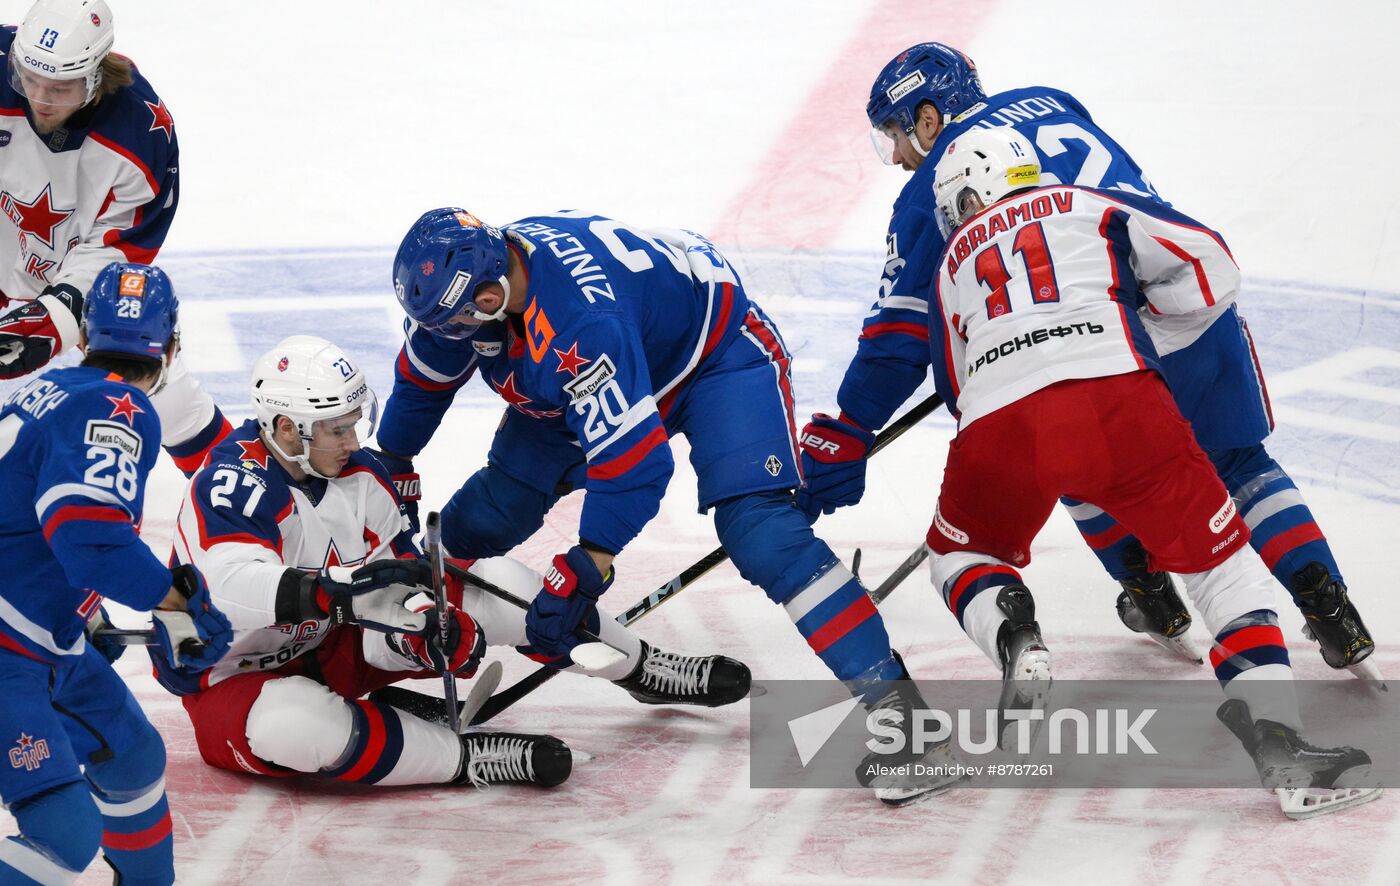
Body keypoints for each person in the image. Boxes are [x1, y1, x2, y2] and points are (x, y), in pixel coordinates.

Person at [797, 42, 1375, 675]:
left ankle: (1152, 595)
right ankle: (1332, 611)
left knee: (1076, 454)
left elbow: (899, 337)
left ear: (929, 119)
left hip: (1093, 340)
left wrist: (851, 428)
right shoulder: (1055, 103)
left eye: (896, 135)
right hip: (1182, 296)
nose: (900, 157)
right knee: (1239, 463)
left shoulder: (941, 178)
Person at [375, 208, 959, 804]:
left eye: (460, 321)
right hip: (619, 351)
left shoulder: (579, 322)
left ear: (493, 289)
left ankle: (905, 722)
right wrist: (391, 460)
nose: (454, 334)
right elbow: (424, 380)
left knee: (762, 533)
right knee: (491, 512)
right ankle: (386, 640)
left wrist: (589, 561)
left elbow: (637, 467)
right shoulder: (477, 287)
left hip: (714, 357)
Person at [920, 126, 1377, 818]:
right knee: (1224, 570)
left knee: (958, 554)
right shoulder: (1084, 202)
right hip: (1120, 400)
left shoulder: (951, 262)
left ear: (969, 196)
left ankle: (1017, 637)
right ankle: (1281, 745)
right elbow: (1210, 265)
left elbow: (957, 393)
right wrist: (1133, 326)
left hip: (999, 422)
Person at [160, 333, 750, 792]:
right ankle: (467, 759)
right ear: (287, 429)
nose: (352, 439)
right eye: (335, 429)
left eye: (353, 423)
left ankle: (640, 667)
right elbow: (230, 585)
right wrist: (341, 591)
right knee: (295, 727)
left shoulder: (361, 476)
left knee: (496, 583)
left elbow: (390, 586)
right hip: (233, 680)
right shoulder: (231, 484)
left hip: (332, 645)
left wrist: (423, 629)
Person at [0, 261, 232, 884]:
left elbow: (29, 523)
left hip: (37, 635)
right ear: (173, 344)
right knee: (62, 834)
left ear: (86, 333)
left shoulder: (50, 388)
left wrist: (87, 610)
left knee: (131, 757)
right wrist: (174, 600)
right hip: (8, 645)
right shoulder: (119, 405)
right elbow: (91, 540)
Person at [0, 0, 231, 475]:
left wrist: (54, 319)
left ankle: (241, 491)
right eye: (29, 79)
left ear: (95, 75)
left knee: (149, 368)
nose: (40, 99)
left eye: (60, 88)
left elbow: (120, 249)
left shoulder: (142, 135)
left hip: (66, 277)